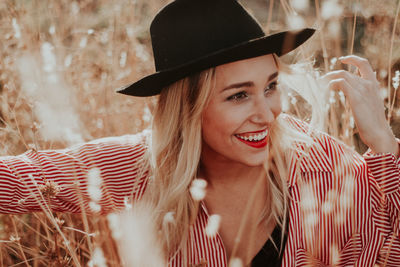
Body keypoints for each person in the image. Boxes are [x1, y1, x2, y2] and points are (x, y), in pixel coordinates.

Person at [1, 0, 399, 266]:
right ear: (188, 109)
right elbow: (17, 180)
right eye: (239, 95)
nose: (268, 113)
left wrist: (382, 142)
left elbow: (385, 244)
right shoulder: (138, 170)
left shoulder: (317, 160)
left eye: (271, 86)